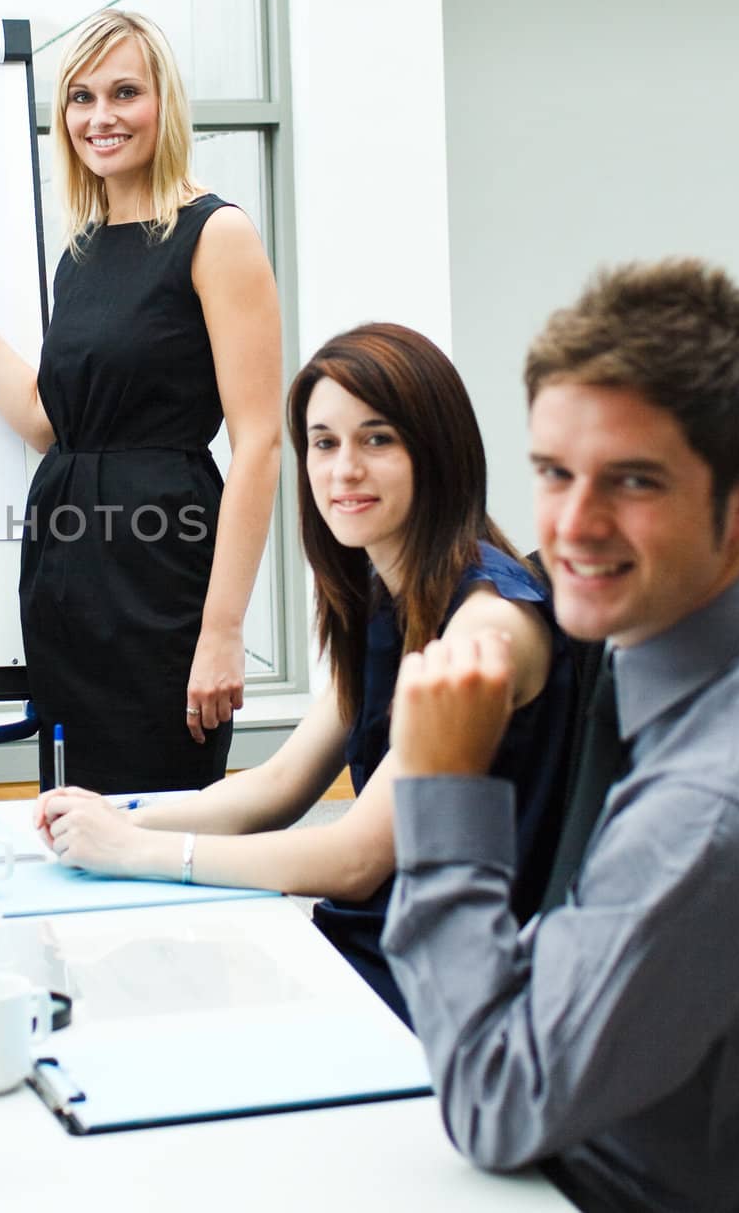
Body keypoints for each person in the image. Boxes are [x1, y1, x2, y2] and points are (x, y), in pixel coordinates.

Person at [36, 323, 575, 1023]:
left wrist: (139, 848)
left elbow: (357, 859)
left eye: (377, 439)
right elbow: (277, 787)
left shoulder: (486, 624)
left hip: (434, 993)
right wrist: (113, 817)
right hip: (362, 951)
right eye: (324, 442)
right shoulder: (386, 596)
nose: (343, 468)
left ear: (436, 451)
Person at [383, 261, 739, 1211]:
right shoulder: (660, 647)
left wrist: (440, 794)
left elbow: (497, 1098)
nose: (572, 527)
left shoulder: (710, 810)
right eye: (554, 473)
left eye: (634, 480)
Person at [0, 8, 281, 793]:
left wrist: (222, 631)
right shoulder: (82, 249)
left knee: (160, 829)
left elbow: (261, 445)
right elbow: (48, 423)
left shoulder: (217, 234)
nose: (100, 117)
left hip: (163, 582)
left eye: (124, 93)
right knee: (85, 828)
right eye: (81, 97)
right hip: (71, 582)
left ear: (164, 103)